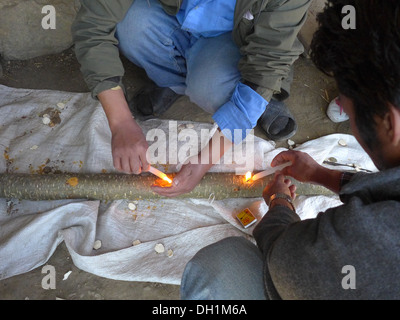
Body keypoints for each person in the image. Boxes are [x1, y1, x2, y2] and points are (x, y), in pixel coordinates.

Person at [180, 0, 400, 299]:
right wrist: (321, 174)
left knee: (222, 264)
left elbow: (285, 262)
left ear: (388, 122)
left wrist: (280, 204)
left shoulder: (365, 244)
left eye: (347, 102)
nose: (344, 107)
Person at [72, 0, 311, 197]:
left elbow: (266, 64)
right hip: (176, 17)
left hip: (241, 40)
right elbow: (93, 26)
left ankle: (260, 101)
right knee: (129, 25)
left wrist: (204, 162)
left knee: (211, 88)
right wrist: (120, 122)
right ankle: (175, 82)